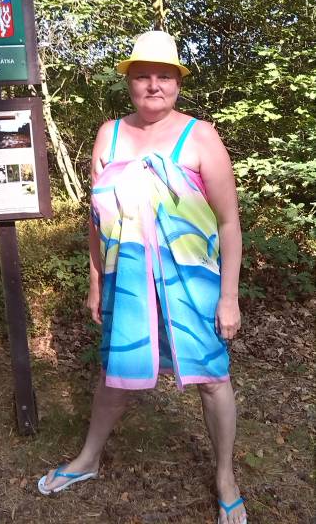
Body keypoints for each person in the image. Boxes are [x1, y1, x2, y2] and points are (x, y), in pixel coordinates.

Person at [38, 31, 247, 524]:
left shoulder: (201, 136)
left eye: (165, 76)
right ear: (129, 82)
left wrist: (229, 296)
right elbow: (96, 219)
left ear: (178, 83)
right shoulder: (109, 135)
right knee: (115, 374)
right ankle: (88, 459)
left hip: (192, 284)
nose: (154, 85)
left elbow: (228, 222)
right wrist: (95, 280)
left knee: (212, 379)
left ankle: (225, 478)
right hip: (127, 280)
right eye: (143, 76)